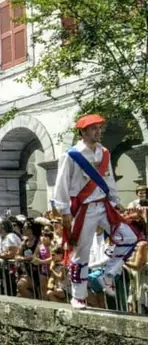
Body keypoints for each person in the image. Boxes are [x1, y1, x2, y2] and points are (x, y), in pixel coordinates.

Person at [53, 114, 141, 309]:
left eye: (99, 128)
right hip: (83, 208)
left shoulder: (104, 153)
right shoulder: (71, 155)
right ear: (83, 132)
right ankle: (78, 296)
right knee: (81, 252)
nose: (98, 132)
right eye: (94, 128)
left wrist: (115, 201)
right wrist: (64, 211)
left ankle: (107, 274)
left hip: (103, 205)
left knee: (130, 237)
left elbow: (109, 180)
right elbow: (61, 184)